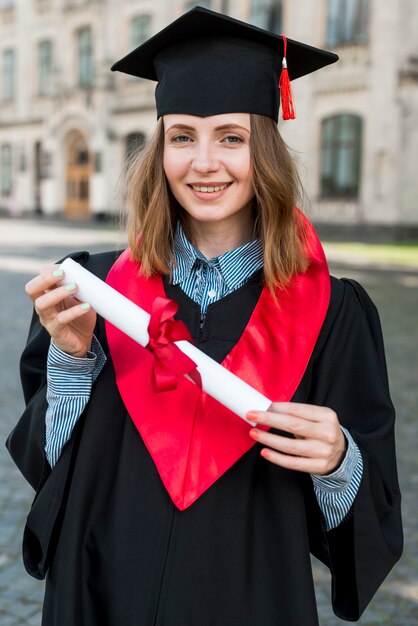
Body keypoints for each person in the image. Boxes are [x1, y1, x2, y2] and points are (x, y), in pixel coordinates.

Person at [7, 7, 402, 626]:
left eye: (231, 137)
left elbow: (373, 512)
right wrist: (72, 360)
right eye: (183, 136)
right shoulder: (95, 291)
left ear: (263, 151)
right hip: (98, 589)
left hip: (248, 599)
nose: (204, 162)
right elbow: (49, 467)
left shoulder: (333, 314)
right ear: (160, 148)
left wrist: (339, 461)